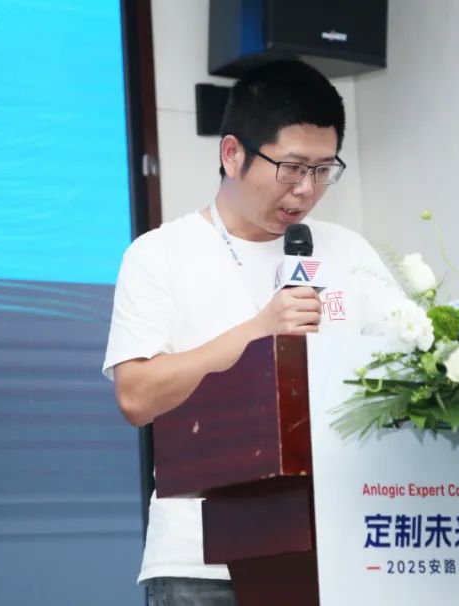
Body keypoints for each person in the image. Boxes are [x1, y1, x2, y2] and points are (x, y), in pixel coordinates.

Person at [102, 60, 405, 605]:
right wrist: (258, 331)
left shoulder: (349, 251)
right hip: (203, 566)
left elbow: (412, 363)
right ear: (232, 154)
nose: (306, 190)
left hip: (339, 550)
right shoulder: (160, 255)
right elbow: (136, 396)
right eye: (291, 168)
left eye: (323, 170)